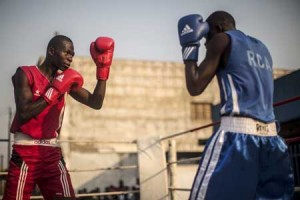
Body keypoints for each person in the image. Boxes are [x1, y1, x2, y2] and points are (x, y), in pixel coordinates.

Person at [178, 11, 294, 200]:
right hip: (273, 141)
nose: (207, 44)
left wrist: (189, 46)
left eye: (207, 39)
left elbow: (195, 86)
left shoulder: (221, 39)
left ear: (218, 28)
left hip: (238, 137)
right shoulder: (262, 48)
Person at [3, 35, 115, 200]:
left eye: (73, 55)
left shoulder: (65, 81)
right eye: (67, 53)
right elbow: (24, 112)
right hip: (26, 150)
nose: (70, 58)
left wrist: (102, 70)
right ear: (51, 51)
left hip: (52, 152)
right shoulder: (25, 73)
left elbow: (95, 102)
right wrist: (54, 90)